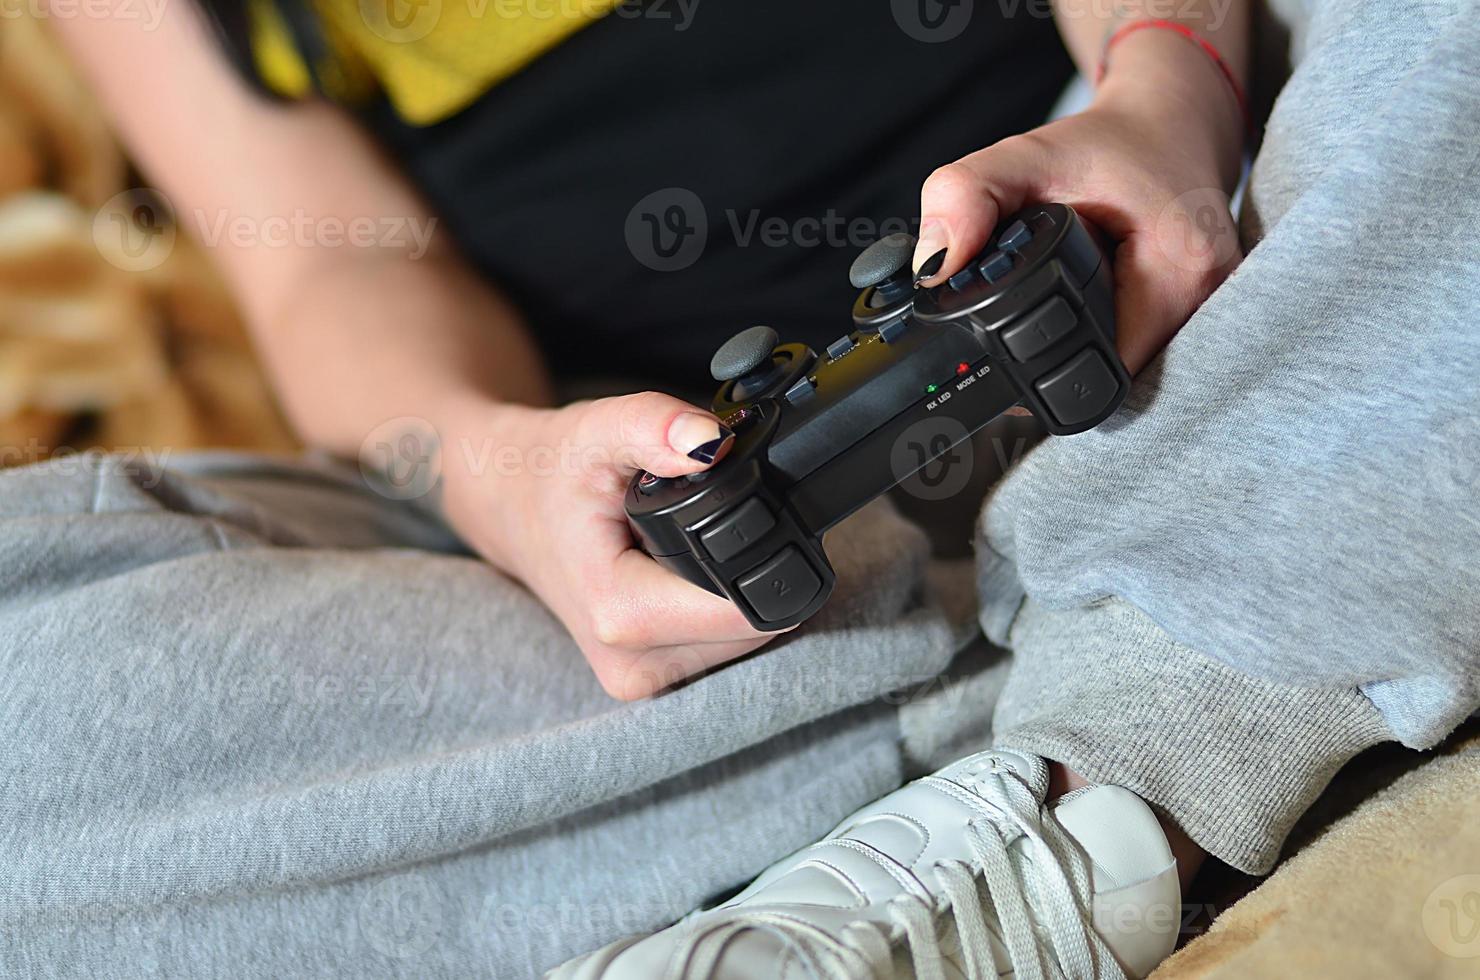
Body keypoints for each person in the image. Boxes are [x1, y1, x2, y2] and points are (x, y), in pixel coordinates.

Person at [5, 0, 1475, 976]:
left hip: (1175, 254)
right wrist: (492, 468)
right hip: (677, 578)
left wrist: (1168, 95)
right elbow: (327, 258)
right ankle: (1185, 598)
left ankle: (1096, 783)